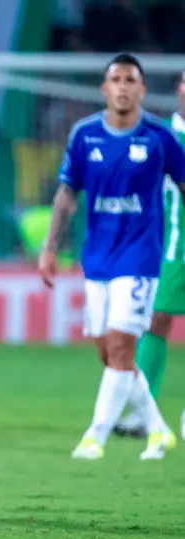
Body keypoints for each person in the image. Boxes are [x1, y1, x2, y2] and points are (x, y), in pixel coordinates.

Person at [39, 53, 185, 461]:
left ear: (142, 89)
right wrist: (50, 247)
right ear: (104, 89)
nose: (122, 86)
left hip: (140, 257)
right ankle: (158, 430)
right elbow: (67, 193)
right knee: (110, 354)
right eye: (115, 79)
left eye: (130, 79)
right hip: (97, 259)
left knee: (122, 347)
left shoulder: (160, 137)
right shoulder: (85, 135)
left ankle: (94, 437)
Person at [114, 70, 185, 439]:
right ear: (180, 89)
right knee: (156, 319)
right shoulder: (161, 138)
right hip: (174, 246)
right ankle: (144, 410)